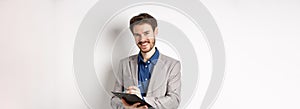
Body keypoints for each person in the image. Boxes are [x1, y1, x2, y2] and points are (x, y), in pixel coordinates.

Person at [111, 13, 181, 109]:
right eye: (137, 35)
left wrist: (143, 99)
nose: (142, 39)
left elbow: (174, 100)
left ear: (155, 32)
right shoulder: (124, 64)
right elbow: (114, 99)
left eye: (146, 33)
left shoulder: (172, 65)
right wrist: (126, 107)